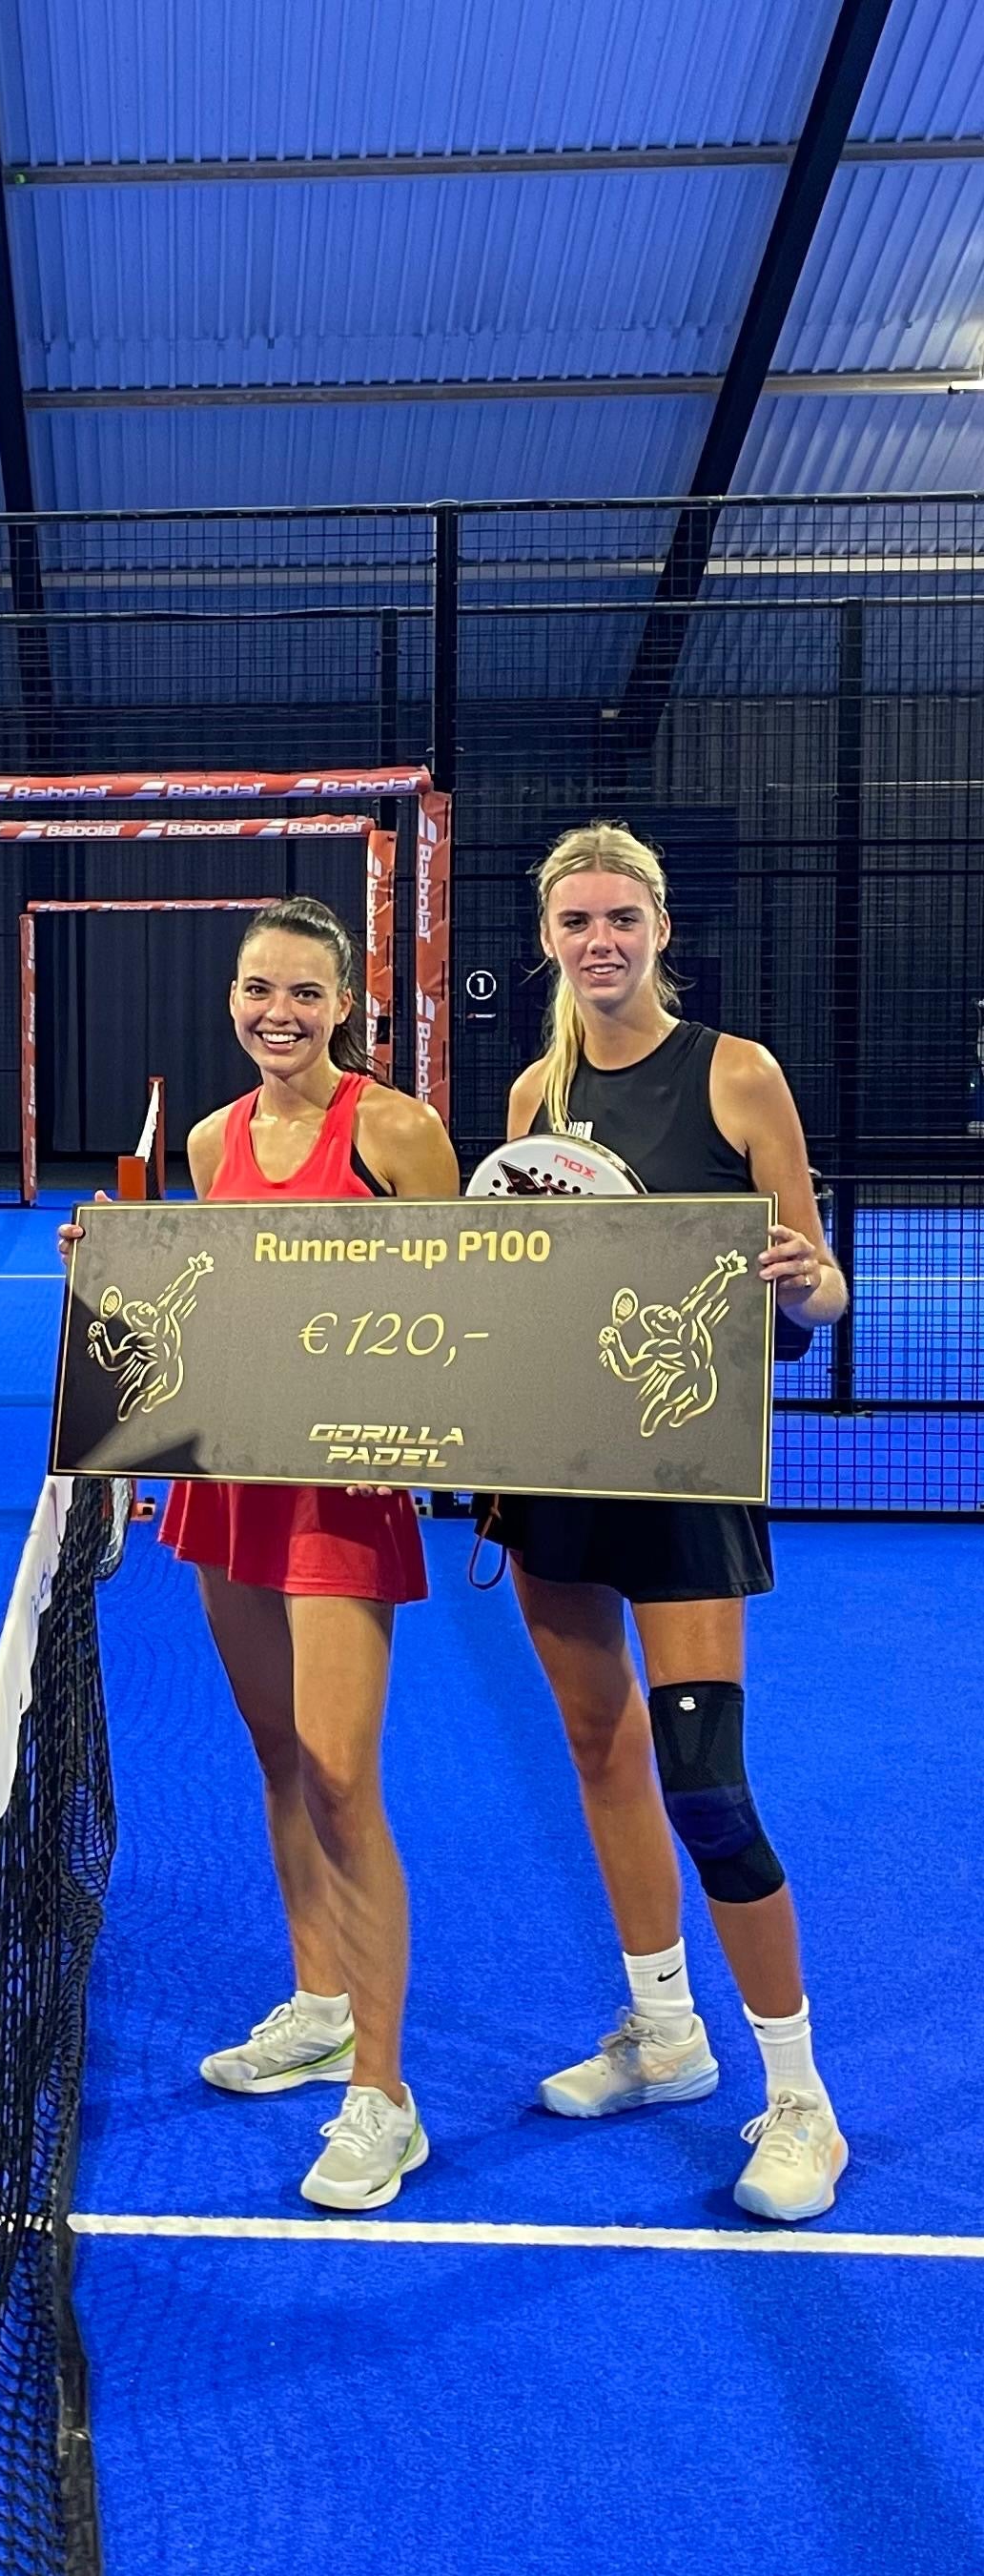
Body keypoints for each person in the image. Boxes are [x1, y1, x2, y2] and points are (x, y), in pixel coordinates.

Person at [67, 897, 460, 2211]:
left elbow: (470, 1301)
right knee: (281, 1753)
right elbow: (208, 1307)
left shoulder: (396, 1130)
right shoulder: (208, 1138)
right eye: (256, 989)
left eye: (303, 992)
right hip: (229, 1483)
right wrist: (116, 1268)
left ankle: (384, 2098)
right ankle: (321, 2002)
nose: (277, 1013)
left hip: (343, 1493)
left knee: (344, 1774)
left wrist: (412, 1438)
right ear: (232, 999)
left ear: (345, 1004)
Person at [488, 822, 849, 2221]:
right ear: (549, 939)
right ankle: (663, 2033)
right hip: (560, 1473)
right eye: (577, 921)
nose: (601, 941)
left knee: (703, 1779)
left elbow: (818, 1290)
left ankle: (802, 2101)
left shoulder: (737, 1073)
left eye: (621, 918)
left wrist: (804, 1280)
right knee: (599, 1747)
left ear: (659, 929)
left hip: (688, 1477)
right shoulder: (534, 1092)